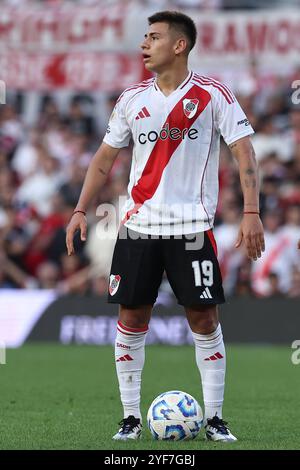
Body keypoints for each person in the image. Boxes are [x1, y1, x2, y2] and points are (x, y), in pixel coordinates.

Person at [66, 11, 265, 442]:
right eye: (144, 37)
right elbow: (104, 159)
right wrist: (81, 208)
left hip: (192, 228)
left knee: (204, 318)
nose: (144, 44)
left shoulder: (214, 95)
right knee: (132, 316)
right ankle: (131, 418)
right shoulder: (132, 98)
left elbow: (244, 152)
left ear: (180, 45)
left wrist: (251, 212)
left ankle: (213, 418)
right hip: (138, 227)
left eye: (153, 37)